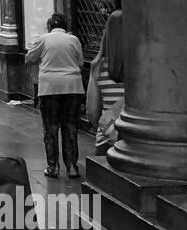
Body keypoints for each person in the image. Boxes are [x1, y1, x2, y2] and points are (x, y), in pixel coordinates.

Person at [25, 12, 85, 178]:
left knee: (51, 129)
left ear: (50, 27)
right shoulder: (74, 40)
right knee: (70, 127)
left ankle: (53, 167)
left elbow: (28, 58)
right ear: (65, 27)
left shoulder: (42, 39)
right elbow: (80, 63)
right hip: (73, 87)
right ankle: (72, 167)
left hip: (49, 89)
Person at [86, 9, 125, 154]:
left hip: (106, 140)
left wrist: (107, 127)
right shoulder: (140, 67)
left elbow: (91, 111)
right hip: (135, 142)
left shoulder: (98, 66)